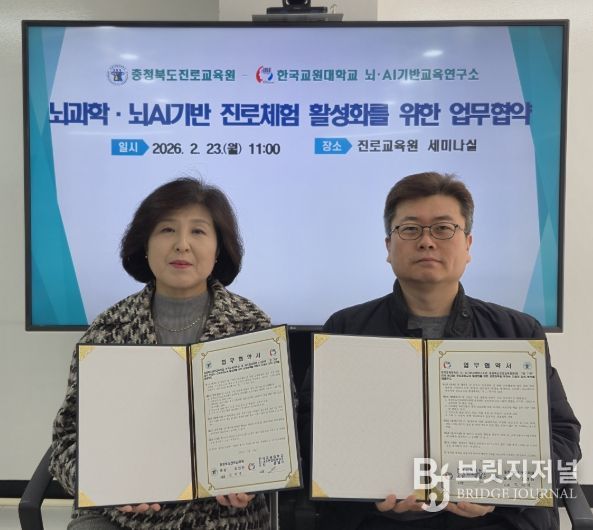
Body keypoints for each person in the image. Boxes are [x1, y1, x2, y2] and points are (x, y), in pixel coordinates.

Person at [299, 171, 581, 530]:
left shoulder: (516, 333)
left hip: (496, 521)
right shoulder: (345, 330)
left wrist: (500, 493)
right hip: (380, 520)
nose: (427, 242)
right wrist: (367, 494)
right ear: (388, 246)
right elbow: (312, 433)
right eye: (410, 229)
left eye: (443, 229)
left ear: (468, 244)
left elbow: (562, 435)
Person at [50, 177, 272, 530]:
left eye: (198, 231)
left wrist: (254, 480)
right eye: (167, 230)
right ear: (145, 245)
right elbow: (67, 441)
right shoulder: (108, 330)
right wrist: (104, 485)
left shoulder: (251, 327)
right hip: (122, 517)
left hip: (222, 518)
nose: (182, 245)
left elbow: (275, 434)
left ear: (218, 249)